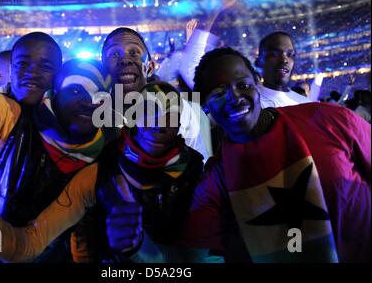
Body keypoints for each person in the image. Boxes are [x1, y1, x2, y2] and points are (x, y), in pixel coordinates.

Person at [0, 82, 206, 263]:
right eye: (148, 110)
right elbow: (23, 249)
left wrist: (141, 249)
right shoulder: (100, 172)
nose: (159, 122)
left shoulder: (196, 172)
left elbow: (202, 260)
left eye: (170, 112)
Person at [181, 47, 370, 262]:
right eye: (218, 93)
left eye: (243, 85)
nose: (235, 98)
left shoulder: (329, 119)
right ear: (205, 105)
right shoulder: (218, 179)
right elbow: (198, 248)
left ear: (258, 84)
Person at [101, 27, 212, 162]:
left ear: (150, 68)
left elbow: (201, 166)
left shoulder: (182, 111)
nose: (125, 60)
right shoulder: (91, 113)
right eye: (114, 54)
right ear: (103, 69)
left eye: (134, 52)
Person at [254, 32, 313, 108]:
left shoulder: (306, 104)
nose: (284, 60)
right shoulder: (252, 105)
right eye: (275, 54)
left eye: (290, 54)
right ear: (259, 61)